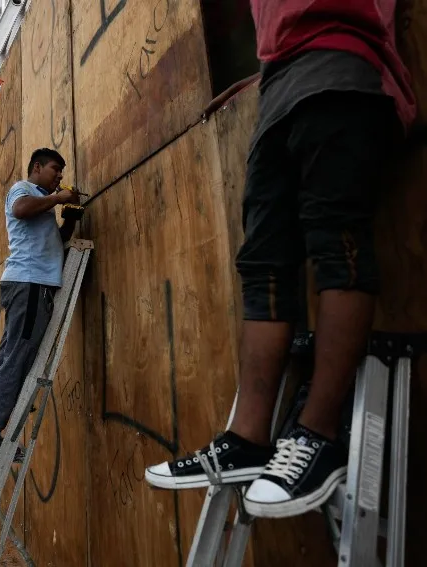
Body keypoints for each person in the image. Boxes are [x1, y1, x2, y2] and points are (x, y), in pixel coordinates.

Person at [145, 0, 414, 519]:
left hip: (339, 62)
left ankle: (318, 435)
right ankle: (247, 439)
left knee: (338, 244)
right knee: (263, 267)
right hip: (276, 88)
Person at [0, 148, 82, 460]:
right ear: (37, 167)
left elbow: (55, 242)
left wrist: (70, 219)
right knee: (17, 359)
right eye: (55, 169)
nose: (60, 175)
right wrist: (58, 198)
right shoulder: (23, 189)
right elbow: (20, 210)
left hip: (29, 284)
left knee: (8, 357)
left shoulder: (41, 202)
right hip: (30, 284)